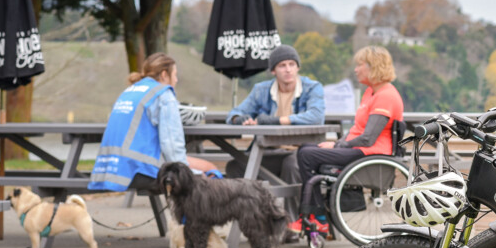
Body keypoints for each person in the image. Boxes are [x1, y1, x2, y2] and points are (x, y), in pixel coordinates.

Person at [290, 45, 404, 235]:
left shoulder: (386, 96)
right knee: (306, 149)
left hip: (370, 153)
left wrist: (337, 145)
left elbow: (368, 138)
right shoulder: (371, 92)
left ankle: (316, 217)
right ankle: (315, 216)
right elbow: (356, 130)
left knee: (307, 155)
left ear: (373, 66)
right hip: (361, 150)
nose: (356, 69)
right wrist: (337, 144)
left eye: (360, 65)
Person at [224, 44, 325, 226]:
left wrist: (278, 120)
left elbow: (316, 116)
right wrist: (240, 119)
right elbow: (233, 114)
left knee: (291, 164)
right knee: (235, 167)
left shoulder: (312, 87)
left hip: (300, 151)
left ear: (298, 67)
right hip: (267, 150)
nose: (288, 70)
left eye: (291, 64)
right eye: (282, 65)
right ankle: (253, 223)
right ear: (273, 71)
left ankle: (291, 224)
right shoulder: (261, 90)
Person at [89, 53, 218, 192]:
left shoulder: (129, 91)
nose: (176, 79)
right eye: (174, 74)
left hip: (110, 171)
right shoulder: (163, 94)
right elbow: (172, 148)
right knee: (211, 170)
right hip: (141, 172)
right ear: (164, 75)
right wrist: (193, 175)